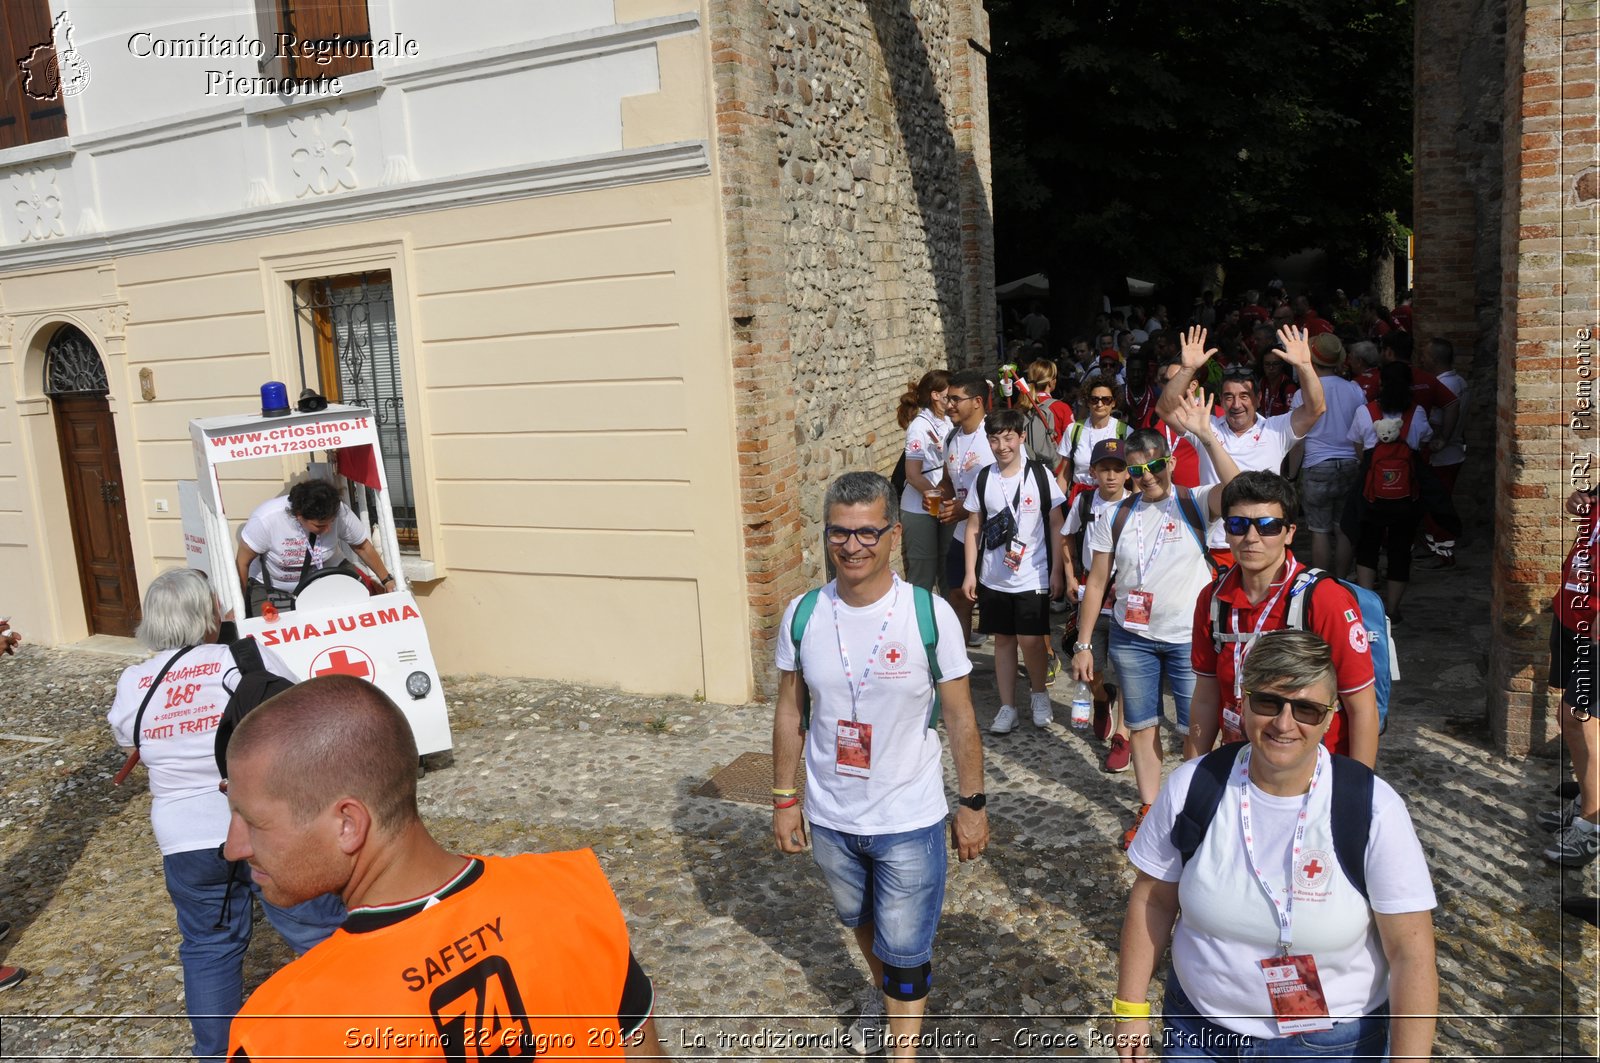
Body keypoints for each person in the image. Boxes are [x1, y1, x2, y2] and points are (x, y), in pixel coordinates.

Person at [225, 673, 664, 1060]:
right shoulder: (571, 892)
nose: (232, 847)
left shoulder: (280, 1032)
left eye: (252, 821)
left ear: (348, 824)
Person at [1115, 630, 1438, 1062]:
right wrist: (1130, 1008)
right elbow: (1153, 900)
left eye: (1305, 708)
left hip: (1330, 1044)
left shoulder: (1372, 806)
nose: (1284, 724)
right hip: (1199, 1033)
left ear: (1330, 715)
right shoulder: (1193, 785)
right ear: (1243, 702)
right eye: (1268, 702)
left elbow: (1411, 953)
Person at [774, 471, 989, 1059]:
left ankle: (904, 1050)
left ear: (893, 533)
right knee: (858, 917)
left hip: (908, 815)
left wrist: (972, 806)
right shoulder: (802, 614)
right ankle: (881, 991)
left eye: (868, 533)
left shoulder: (928, 615)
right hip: (832, 814)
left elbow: (963, 719)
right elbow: (791, 712)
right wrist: (783, 798)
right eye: (840, 534)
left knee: (906, 943)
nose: (853, 546)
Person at [108, 568, 344, 1062]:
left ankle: (215, 1054)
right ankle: (342, 1037)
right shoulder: (239, 658)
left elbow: (128, 740)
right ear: (211, 613)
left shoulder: (134, 680)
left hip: (183, 836)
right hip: (261, 824)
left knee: (208, 947)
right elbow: (299, 709)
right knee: (316, 934)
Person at [1071, 401, 1242, 851]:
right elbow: (1096, 583)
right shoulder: (1115, 515)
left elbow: (1241, 490)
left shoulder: (1193, 500)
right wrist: (1084, 643)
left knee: (1196, 730)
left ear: (1168, 461)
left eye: (1154, 465)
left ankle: (1191, 806)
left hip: (1190, 640)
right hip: (1133, 639)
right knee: (1143, 726)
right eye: (1136, 469)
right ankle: (1149, 807)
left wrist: (1208, 436)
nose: (1146, 476)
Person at [1185, 472, 1380, 768]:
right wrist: (1192, 776)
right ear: (1225, 532)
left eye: (1268, 526)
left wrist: (1358, 793)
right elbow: (1206, 698)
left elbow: (1362, 706)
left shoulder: (1324, 599)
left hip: (1314, 772)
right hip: (1243, 764)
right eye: (1238, 525)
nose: (1251, 538)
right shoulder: (1212, 600)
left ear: (1289, 533)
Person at [1157, 326, 1325, 568]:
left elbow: (1316, 408)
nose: (1236, 404)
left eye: (1244, 396)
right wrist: (1187, 369)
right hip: (1215, 544)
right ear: (1221, 400)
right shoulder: (1206, 425)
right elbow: (1165, 409)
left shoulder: (1276, 429)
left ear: (1258, 399)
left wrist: (1305, 366)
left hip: (1264, 542)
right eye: (1228, 397)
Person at [963, 408, 1066, 733]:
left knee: (1032, 640)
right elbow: (973, 528)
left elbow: (1056, 523)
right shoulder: (984, 477)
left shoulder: (1039, 475)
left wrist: (1059, 571)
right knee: (1004, 641)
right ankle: (1007, 706)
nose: (1002, 445)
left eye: (1008, 438)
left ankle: (1038, 694)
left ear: (1021, 437)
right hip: (994, 576)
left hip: (1032, 573)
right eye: (994, 439)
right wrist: (970, 573)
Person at [1061, 439, 1132, 771]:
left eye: (1118, 469)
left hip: (1128, 597)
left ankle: (1123, 735)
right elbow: (1065, 536)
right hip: (1092, 591)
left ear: (1127, 472)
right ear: (1093, 472)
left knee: (1129, 668)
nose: (1112, 476)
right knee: (1091, 666)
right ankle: (1103, 698)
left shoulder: (1138, 505)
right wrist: (1069, 574)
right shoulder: (1084, 501)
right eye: (1105, 469)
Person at [1541, 485, 1600, 866]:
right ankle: (1587, 796)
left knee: (1583, 720)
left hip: (1594, 624)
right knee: (1572, 718)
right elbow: (1585, 504)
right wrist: (1578, 498)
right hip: (1572, 611)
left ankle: (1592, 827)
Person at [235, 479, 396, 615]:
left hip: (330, 576)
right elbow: (242, 562)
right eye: (320, 526)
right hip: (275, 589)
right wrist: (239, 604)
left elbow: (362, 546)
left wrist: (387, 580)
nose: (327, 529)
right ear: (299, 515)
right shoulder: (266, 520)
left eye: (330, 523)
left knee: (361, 611)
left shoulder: (339, 512)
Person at [1347, 362, 1432, 618]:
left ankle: (1368, 612)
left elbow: (1358, 448)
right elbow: (1424, 441)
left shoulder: (1365, 412)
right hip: (1406, 496)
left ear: (1381, 384)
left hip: (1371, 493)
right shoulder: (1417, 414)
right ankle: (1393, 611)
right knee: (1399, 551)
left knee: (1367, 548)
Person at [1295, 335, 1366, 576]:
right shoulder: (1354, 390)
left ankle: (1322, 585)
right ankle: (1343, 580)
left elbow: (1299, 439)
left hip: (1317, 465)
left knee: (1319, 530)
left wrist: (1292, 475)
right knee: (1344, 529)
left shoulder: (1303, 392)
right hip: (1350, 464)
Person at [941, 369, 996, 646]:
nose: (948, 404)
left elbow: (1012, 488)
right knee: (958, 599)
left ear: (976, 401)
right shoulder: (951, 438)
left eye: (955, 399)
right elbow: (947, 480)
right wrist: (942, 497)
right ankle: (960, 666)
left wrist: (968, 508)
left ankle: (1043, 654)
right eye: (948, 399)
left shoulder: (997, 436)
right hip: (963, 535)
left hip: (996, 537)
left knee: (1007, 608)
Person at [896, 370, 953, 592]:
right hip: (921, 508)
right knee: (923, 576)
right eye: (950, 394)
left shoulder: (948, 420)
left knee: (949, 570)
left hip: (942, 504)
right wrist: (937, 498)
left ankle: (950, 624)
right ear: (936, 395)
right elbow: (912, 474)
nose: (954, 399)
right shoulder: (919, 427)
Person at [1418, 338, 1468, 567]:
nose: (1422, 359)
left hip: (1443, 454)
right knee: (1433, 503)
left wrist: (1439, 438)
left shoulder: (1443, 386)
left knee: (1438, 504)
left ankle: (1444, 554)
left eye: (1425, 355)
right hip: (1451, 451)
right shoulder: (1459, 381)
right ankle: (1434, 547)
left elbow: (1440, 418)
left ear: (1434, 359)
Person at [1057, 374, 1131, 504]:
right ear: (1087, 402)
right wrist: (1055, 507)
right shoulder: (1073, 430)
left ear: (1113, 402)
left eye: (1106, 399)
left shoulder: (1126, 432)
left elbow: (1134, 474)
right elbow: (1064, 474)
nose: (1100, 404)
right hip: (1080, 500)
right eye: (1094, 399)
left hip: (1114, 500)